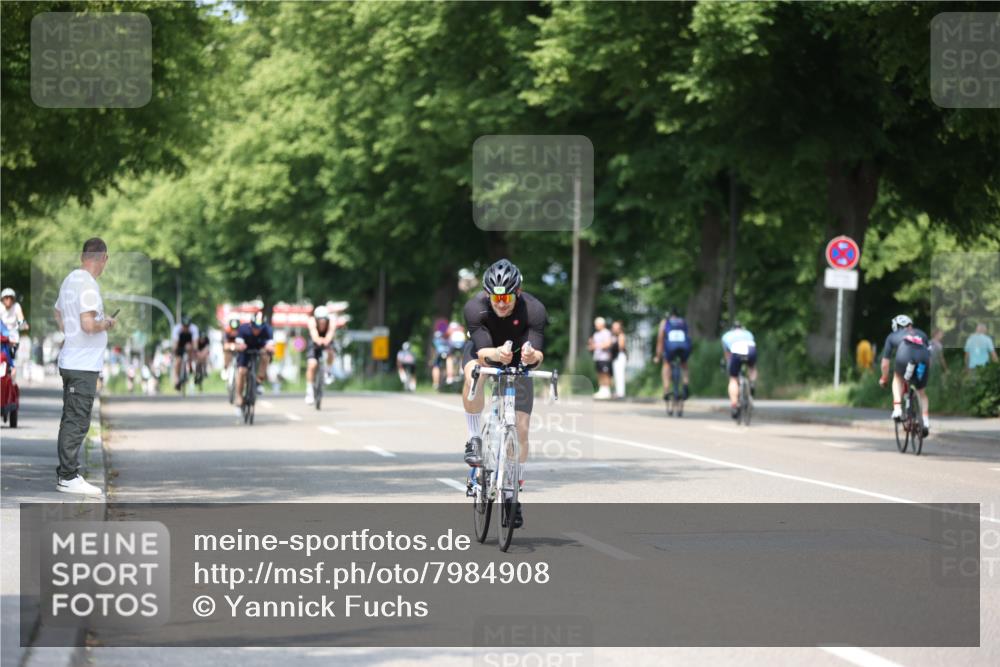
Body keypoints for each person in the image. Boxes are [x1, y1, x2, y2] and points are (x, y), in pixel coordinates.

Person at [461, 259, 547, 529]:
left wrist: (531, 356)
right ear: (488, 294)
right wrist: (497, 354)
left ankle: (512, 494)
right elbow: (483, 351)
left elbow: (539, 356)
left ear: (517, 293)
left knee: (521, 429)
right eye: (496, 297)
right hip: (486, 352)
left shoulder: (534, 310)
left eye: (506, 297)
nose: (501, 303)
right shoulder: (475, 308)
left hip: (519, 358)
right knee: (473, 371)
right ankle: (475, 438)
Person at [52, 237, 113, 496]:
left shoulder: (70, 280)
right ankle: (68, 476)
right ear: (103, 258)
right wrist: (106, 323)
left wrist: (70, 332)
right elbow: (89, 325)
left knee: (71, 418)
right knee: (77, 421)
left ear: (82, 256)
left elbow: (58, 312)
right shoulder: (88, 284)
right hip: (82, 365)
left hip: (72, 359)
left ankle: (68, 473)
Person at [879, 314, 931, 435]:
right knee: (921, 392)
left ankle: (897, 409)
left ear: (895, 327)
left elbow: (885, 364)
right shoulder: (922, 333)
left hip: (904, 355)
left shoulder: (892, 336)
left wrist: (884, 378)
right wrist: (925, 373)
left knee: (897, 379)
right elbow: (930, 356)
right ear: (910, 325)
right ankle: (926, 421)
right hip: (923, 358)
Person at [234, 311, 274, 407]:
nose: (257, 331)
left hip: (260, 348)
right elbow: (237, 345)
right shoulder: (243, 329)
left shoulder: (267, 330)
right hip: (246, 349)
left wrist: (270, 348)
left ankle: (259, 381)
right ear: (251, 325)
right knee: (242, 371)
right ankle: (239, 396)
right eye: (255, 328)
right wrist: (240, 346)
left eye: (259, 328)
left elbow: (271, 345)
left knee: (266, 356)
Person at [655, 307, 692, 404]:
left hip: (671, 348)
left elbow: (660, 339)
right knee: (684, 365)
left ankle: (666, 390)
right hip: (683, 347)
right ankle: (685, 385)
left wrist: (658, 356)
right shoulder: (683, 322)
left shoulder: (665, 322)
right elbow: (688, 336)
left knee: (666, 364)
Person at [721, 321, 757, 421]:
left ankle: (734, 405)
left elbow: (727, 356)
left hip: (736, 351)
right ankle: (752, 383)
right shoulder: (748, 333)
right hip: (751, 350)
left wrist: (728, 366)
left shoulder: (726, 335)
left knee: (733, 379)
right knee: (752, 367)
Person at [305, 306, 335, 405]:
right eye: (320, 321)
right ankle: (309, 391)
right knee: (312, 364)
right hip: (314, 341)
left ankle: (328, 371)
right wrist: (319, 341)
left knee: (331, 352)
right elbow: (314, 335)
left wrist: (325, 341)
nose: (322, 323)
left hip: (326, 340)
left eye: (324, 321)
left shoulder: (332, 321)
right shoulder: (311, 321)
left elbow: (330, 334)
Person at [171, 316, 199, 391]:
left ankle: (190, 365)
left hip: (190, 344)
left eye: (187, 326)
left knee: (190, 349)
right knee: (178, 361)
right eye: (184, 326)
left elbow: (195, 343)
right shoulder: (177, 329)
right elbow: (175, 344)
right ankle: (177, 380)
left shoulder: (194, 329)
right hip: (180, 345)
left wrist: (194, 350)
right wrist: (174, 352)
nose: (186, 328)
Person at [0, 288, 28, 363]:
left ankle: (11, 369)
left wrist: (23, 324)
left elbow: (20, 317)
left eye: (11, 298)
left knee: (11, 358)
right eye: (6, 297)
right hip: (1, 335)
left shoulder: (16, 306)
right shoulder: (0, 307)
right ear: (2, 299)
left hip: (13, 337)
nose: (8, 300)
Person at [588, 317, 613, 399]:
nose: (596, 326)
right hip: (597, 357)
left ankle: (607, 390)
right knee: (600, 374)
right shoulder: (596, 334)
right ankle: (601, 390)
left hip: (605, 357)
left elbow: (608, 344)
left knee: (605, 374)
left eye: (597, 324)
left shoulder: (606, 332)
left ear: (602, 324)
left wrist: (597, 346)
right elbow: (593, 346)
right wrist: (591, 345)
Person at [610, 320, 627, 398]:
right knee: (616, 375)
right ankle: (618, 392)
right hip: (616, 357)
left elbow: (621, 347)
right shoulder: (614, 336)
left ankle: (621, 393)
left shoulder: (621, 336)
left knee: (620, 375)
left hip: (620, 356)